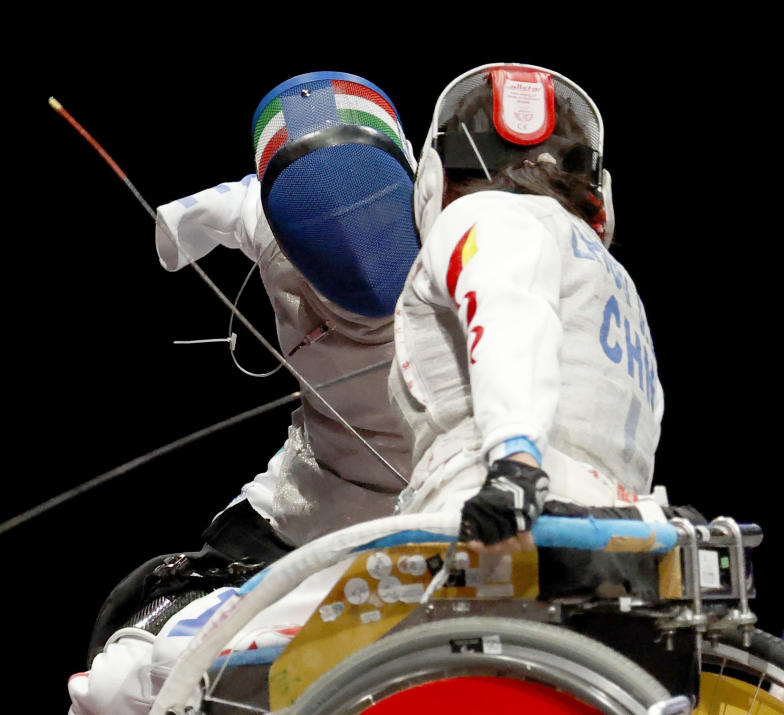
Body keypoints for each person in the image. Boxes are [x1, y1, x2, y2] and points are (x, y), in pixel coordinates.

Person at [67, 71, 420, 715]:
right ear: (284, 215)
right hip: (296, 511)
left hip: (429, 530)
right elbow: (174, 232)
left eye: (374, 207)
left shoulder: (479, 238)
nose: (352, 237)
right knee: (118, 685)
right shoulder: (259, 214)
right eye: (320, 216)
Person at [387, 62, 667, 552]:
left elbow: (510, 316)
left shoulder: (486, 214)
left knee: (228, 621)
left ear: (437, 173)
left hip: (496, 514)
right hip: (620, 535)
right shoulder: (612, 277)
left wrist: (516, 458)